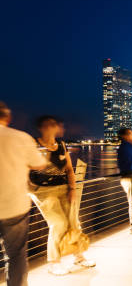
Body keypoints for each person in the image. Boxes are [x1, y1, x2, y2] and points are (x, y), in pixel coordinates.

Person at [28, 116, 95, 275]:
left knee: (74, 223)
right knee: (58, 223)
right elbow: (24, 167)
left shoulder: (61, 145)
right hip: (43, 192)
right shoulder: (34, 144)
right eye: (53, 125)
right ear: (43, 127)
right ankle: (54, 262)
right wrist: (31, 190)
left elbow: (69, 170)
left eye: (57, 125)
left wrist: (72, 189)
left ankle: (78, 256)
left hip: (64, 188)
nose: (58, 127)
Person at [0, 102, 47, 286]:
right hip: (15, 206)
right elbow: (39, 164)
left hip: (15, 206)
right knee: (16, 255)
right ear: (8, 118)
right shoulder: (21, 137)